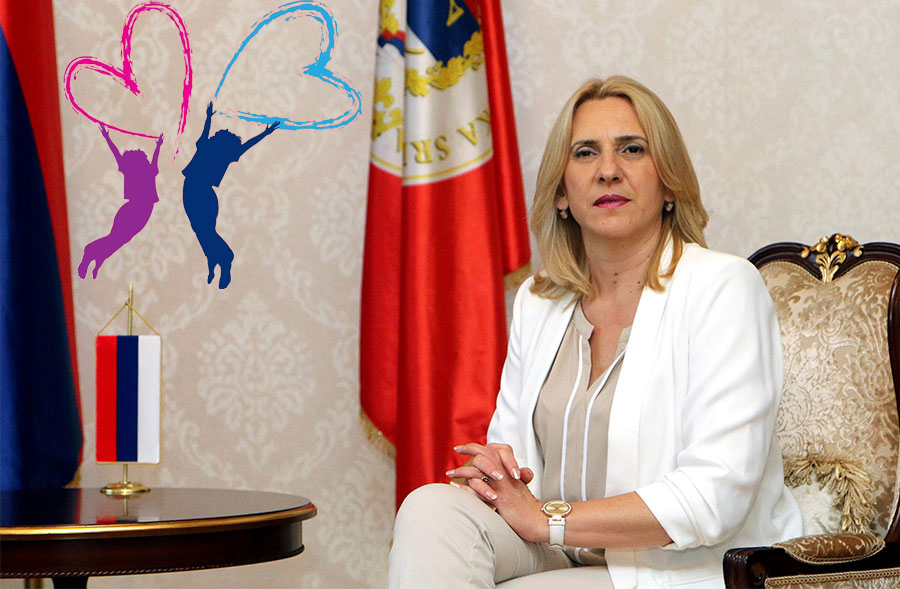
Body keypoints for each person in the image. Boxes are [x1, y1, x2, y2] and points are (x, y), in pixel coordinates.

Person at [387, 76, 802, 588]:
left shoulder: (722, 286)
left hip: (675, 568)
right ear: (562, 192)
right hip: (556, 553)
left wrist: (549, 519)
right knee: (429, 508)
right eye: (585, 153)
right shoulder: (540, 300)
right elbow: (515, 463)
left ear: (668, 183)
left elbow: (715, 495)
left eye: (632, 149)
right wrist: (498, 478)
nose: (608, 170)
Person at [181, 102, 279, 289]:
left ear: (217, 139)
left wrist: (208, 117)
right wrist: (265, 133)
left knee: (203, 230)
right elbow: (247, 145)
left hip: (193, 191)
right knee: (203, 230)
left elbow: (207, 133)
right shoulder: (225, 154)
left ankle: (225, 258)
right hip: (205, 194)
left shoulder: (205, 147)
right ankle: (214, 259)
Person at [78, 125, 163, 280]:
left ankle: (95, 259)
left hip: (131, 208)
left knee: (116, 239)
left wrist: (107, 137)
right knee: (117, 239)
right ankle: (90, 254)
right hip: (141, 210)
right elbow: (152, 158)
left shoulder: (131, 168)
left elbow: (116, 153)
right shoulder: (148, 170)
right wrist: (158, 146)